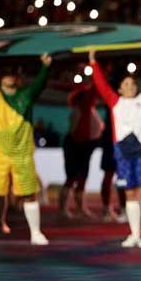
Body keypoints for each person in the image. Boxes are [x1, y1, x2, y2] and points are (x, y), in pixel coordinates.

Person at [89, 51, 141, 248]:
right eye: (126, 85)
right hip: (124, 155)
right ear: (120, 90)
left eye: (133, 84)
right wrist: (93, 62)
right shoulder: (115, 103)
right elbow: (100, 84)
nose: (130, 87)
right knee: (130, 194)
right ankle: (134, 234)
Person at [0, 54, 53, 245]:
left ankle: (36, 233)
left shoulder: (26, 95)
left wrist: (45, 67)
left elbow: (40, 83)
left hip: (22, 155)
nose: (10, 77)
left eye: (13, 74)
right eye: (6, 74)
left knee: (29, 194)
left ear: (18, 77)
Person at [59, 84, 104, 219]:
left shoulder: (90, 110)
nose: (94, 100)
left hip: (86, 147)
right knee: (71, 178)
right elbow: (78, 134)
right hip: (77, 146)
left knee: (82, 179)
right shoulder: (81, 110)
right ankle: (62, 209)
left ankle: (80, 208)